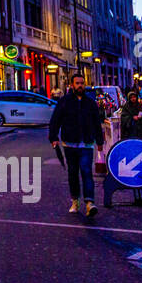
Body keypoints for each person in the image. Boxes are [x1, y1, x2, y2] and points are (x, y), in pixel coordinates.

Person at [48, 73, 104, 217]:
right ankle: (75, 201)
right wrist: (53, 137)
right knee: (73, 173)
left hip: (86, 143)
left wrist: (99, 141)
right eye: (77, 83)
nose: (80, 85)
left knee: (86, 171)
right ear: (72, 85)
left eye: (82, 83)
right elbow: (56, 119)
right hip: (70, 143)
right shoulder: (65, 101)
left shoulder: (90, 102)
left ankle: (90, 203)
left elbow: (96, 122)